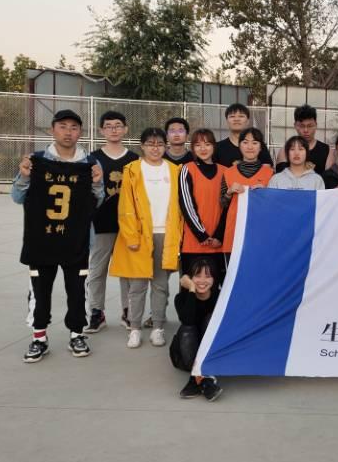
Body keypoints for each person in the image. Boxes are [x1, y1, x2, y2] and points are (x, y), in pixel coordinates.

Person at [12, 109, 104, 362]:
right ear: (52, 129)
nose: (68, 132)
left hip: (77, 241)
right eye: (63, 126)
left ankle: (77, 334)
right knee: (40, 292)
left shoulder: (90, 164)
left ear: (80, 132)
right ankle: (39, 338)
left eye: (74, 127)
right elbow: (17, 197)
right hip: (41, 241)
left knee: (77, 291)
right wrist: (25, 176)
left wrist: (97, 183)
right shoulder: (36, 161)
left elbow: (96, 202)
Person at [110, 128, 184, 350]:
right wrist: (131, 235)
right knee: (137, 285)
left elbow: (180, 206)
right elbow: (125, 206)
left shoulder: (175, 170)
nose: (155, 148)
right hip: (140, 235)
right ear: (142, 146)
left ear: (165, 146)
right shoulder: (133, 170)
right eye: (150, 144)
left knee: (161, 285)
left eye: (159, 144)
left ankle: (158, 327)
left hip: (166, 234)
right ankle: (134, 328)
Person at [85, 110, 137, 333]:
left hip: (128, 226)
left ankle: (128, 311)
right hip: (101, 224)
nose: (114, 130)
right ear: (101, 130)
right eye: (109, 126)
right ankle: (97, 312)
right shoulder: (92, 158)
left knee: (128, 271)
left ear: (125, 129)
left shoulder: (134, 159)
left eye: (118, 125)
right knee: (97, 271)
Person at [179, 128, 228, 284]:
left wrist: (219, 236)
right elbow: (186, 204)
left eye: (207, 144)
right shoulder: (187, 169)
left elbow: (228, 207)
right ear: (192, 148)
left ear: (214, 146)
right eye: (198, 145)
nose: (203, 148)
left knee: (217, 289)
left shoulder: (225, 172)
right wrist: (202, 235)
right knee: (191, 288)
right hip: (194, 242)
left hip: (218, 244)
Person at [174, 259, 223, 401]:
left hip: (210, 354)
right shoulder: (181, 298)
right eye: (197, 276)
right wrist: (191, 289)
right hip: (185, 354)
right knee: (186, 328)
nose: (202, 281)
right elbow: (188, 321)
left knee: (210, 319)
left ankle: (196, 380)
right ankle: (204, 380)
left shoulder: (221, 298)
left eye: (207, 276)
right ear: (190, 278)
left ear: (214, 279)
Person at [221, 127, 275, 253]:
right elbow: (222, 204)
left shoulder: (271, 174)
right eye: (245, 142)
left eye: (254, 143)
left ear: (261, 147)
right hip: (234, 233)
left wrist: (266, 193)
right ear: (239, 146)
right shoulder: (228, 173)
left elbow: (275, 208)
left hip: (261, 234)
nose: (250, 147)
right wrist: (229, 192)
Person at [275, 105, 334, 174]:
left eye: (310, 126)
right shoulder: (285, 151)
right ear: (295, 125)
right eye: (302, 126)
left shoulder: (327, 151)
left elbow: (329, 178)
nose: (306, 130)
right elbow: (280, 177)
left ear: (316, 125)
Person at [214, 102, 274, 168]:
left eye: (241, 116)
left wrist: (241, 166)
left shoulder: (258, 145)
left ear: (248, 121)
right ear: (227, 121)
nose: (236, 119)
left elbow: (267, 168)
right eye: (232, 116)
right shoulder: (217, 147)